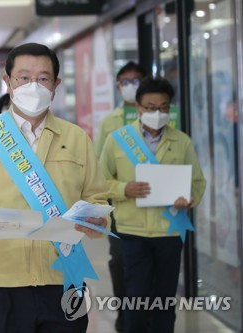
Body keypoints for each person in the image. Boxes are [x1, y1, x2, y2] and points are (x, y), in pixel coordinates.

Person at [0, 43, 110, 333]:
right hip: (1, 280)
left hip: (64, 277)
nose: (34, 85)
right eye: (23, 77)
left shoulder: (77, 138)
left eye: (43, 78)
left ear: (56, 84)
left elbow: (96, 198)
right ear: (7, 82)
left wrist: (97, 221)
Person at [99, 77, 206, 333]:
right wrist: (124, 189)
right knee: (136, 298)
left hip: (169, 230)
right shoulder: (117, 139)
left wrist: (189, 199)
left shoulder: (182, 141)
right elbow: (99, 181)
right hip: (132, 231)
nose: (157, 113)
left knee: (165, 300)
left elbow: (198, 182)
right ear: (137, 107)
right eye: (149, 107)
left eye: (164, 107)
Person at [94, 60, 147, 332]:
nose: (130, 87)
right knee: (122, 265)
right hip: (122, 210)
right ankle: (125, 320)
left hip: (158, 213)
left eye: (136, 81)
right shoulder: (110, 123)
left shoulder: (167, 118)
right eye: (125, 83)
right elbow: (99, 171)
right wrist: (120, 190)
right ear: (117, 87)